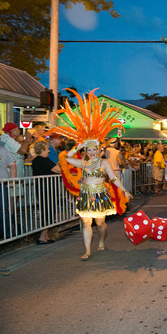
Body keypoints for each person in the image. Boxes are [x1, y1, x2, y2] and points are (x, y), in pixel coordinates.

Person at [51, 89, 132, 261]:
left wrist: (124, 191)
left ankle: (102, 239)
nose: (93, 151)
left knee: (100, 224)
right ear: (87, 151)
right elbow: (67, 157)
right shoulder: (83, 162)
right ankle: (87, 250)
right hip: (86, 194)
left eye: (95, 149)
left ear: (99, 150)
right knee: (86, 222)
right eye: (89, 149)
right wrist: (78, 146)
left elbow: (114, 178)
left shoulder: (104, 163)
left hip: (100, 194)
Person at [31, 140, 61, 244]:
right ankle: (42, 236)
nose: (49, 151)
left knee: (47, 210)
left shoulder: (36, 160)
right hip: (47, 189)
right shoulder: (43, 160)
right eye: (47, 149)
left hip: (43, 188)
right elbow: (58, 170)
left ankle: (45, 236)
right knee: (48, 211)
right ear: (42, 149)